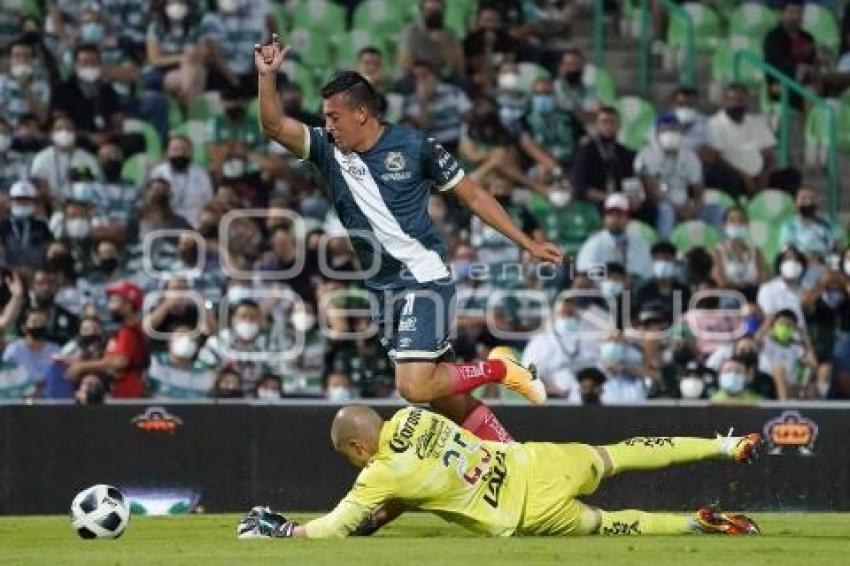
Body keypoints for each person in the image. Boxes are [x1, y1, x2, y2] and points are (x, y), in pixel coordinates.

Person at [256, 34, 562, 442]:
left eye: (334, 116)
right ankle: (513, 458)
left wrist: (526, 243)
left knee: (413, 386)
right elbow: (274, 124)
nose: (327, 125)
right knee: (445, 398)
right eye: (325, 118)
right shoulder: (328, 150)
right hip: (382, 288)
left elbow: (472, 195)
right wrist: (267, 77)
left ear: (361, 113)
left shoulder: (416, 147)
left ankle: (501, 369)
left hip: (422, 276)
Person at [237, 405, 762, 539]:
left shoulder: (381, 474)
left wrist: (290, 531)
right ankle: (725, 444)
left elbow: (336, 526)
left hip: (528, 511)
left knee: (614, 523)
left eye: (348, 455)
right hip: (539, 460)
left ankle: (697, 524)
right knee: (619, 453)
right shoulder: (415, 415)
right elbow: (420, 484)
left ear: (356, 445)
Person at [635, 112, 711, 239]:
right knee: (666, 211)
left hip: (685, 203)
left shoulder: (690, 157)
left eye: (674, 129)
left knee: (716, 210)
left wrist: (694, 208)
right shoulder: (645, 157)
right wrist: (677, 209)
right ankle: (665, 247)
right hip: (657, 205)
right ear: (657, 133)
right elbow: (651, 193)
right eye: (665, 130)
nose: (670, 134)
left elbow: (698, 188)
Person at [65, 281, 147, 398]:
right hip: (122, 392)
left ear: (128, 306)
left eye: (114, 301)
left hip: (127, 394)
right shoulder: (125, 330)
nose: (110, 306)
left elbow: (119, 362)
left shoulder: (129, 331)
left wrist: (82, 366)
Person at [706, 84, 777, 197]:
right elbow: (716, 158)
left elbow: (769, 155)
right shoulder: (714, 124)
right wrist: (744, 176)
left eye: (740, 100)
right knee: (721, 176)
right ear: (724, 101)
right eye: (732, 100)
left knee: (790, 175)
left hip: (759, 175)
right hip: (732, 174)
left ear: (747, 101)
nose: (736, 104)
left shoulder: (757, 122)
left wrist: (765, 174)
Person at [576, 193, 653, 281]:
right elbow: (584, 269)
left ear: (627, 218)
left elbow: (647, 272)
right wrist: (610, 277)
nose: (614, 219)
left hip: (632, 290)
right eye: (610, 215)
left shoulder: (639, 243)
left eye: (619, 215)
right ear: (604, 218)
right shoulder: (594, 242)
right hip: (601, 290)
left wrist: (627, 279)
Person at [570, 106, 636, 208]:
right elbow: (580, 187)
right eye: (604, 122)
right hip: (593, 204)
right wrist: (607, 197)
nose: (608, 126)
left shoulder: (624, 153)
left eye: (612, 122)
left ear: (619, 125)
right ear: (597, 125)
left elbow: (630, 181)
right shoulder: (586, 151)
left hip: (620, 205)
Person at [402, 60, 471, 155]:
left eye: (425, 76)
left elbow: (469, 117)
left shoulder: (453, 92)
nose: (422, 82)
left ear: (434, 76)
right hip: (436, 148)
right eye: (416, 78)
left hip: (461, 141)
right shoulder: (411, 102)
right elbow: (425, 126)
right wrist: (423, 103)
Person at [29, 115, 100, 202]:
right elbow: (38, 185)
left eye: (68, 129)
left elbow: (95, 186)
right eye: (59, 129)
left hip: (79, 205)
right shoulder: (41, 158)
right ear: (52, 133)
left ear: (75, 133)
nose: (64, 132)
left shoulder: (87, 158)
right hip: (50, 204)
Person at [763, 0, 818, 112]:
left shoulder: (807, 37)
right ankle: (808, 127)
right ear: (782, 14)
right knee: (810, 91)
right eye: (791, 12)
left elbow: (812, 62)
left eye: (799, 12)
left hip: (805, 82)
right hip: (779, 85)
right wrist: (801, 68)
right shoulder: (773, 38)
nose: (795, 17)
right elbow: (781, 65)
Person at [149, 134, 213, 225]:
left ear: (191, 153)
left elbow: (208, 202)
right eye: (175, 150)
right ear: (167, 152)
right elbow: (150, 203)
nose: (180, 153)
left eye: (184, 150)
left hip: (195, 223)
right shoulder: (158, 173)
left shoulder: (201, 175)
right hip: (164, 223)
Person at [398, 0, 464, 80]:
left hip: (440, 77)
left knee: (462, 80)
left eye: (437, 11)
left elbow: (459, 67)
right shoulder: (411, 32)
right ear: (422, 12)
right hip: (415, 78)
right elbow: (405, 66)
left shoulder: (450, 34)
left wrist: (444, 45)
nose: (434, 15)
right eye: (430, 11)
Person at [2, 309, 61, 397]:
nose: (39, 325)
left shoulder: (55, 349)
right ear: (24, 327)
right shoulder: (14, 349)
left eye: (42, 322)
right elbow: (7, 375)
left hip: (48, 400)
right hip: (19, 399)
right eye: (34, 322)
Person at [710, 206, 769, 295]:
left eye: (741, 221)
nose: (737, 224)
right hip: (729, 296)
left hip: (754, 295)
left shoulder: (756, 251)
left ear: (747, 225)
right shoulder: (717, 252)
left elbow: (763, 279)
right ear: (724, 224)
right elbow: (721, 282)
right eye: (732, 220)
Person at [0, 179, 53, 268]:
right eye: (19, 200)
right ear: (11, 202)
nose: (22, 204)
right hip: (7, 272)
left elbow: (50, 248)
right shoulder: (3, 226)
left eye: (27, 201)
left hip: (36, 273)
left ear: (34, 203)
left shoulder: (41, 226)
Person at [778, 185, 836, 263]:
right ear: (795, 203)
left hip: (823, 263)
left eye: (812, 199)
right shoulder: (789, 226)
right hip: (800, 265)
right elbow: (787, 251)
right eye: (803, 199)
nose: (808, 202)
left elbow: (832, 247)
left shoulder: (824, 224)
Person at [0, 38, 50, 126]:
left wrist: (26, 89)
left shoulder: (43, 85)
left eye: (26, 55)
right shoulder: (2, 81)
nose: (22, 59)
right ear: (10, 60)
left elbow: (42, 118)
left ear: (33, 60)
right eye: (17, 55)